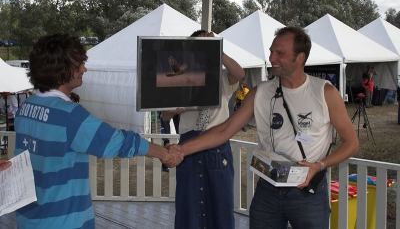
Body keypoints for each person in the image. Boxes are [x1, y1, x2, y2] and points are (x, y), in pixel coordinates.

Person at [168, 26, 359, 229]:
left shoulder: (324, 92)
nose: (272, 58)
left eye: (280, 53)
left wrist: (318, 166)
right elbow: (224, 130)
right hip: (268, 189)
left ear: (300, 57)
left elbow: (352, 143)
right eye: (271, 51)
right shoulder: (261, 92)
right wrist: (181, 149)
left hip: (307, 192)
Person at [13, 34, 182, 229]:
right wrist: (164, 153)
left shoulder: (26, 107)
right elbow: (118, 142)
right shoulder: (69, 116)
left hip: (29, 217)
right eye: (78, 65)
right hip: (62, 221)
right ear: (59, 70)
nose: (84, 69)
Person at [162, 30, 245, 229]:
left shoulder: (221, 77)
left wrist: (219, 50)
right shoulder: (180, 79)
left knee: (221, 205)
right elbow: (164, 115)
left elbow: (240, 74)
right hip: (188, 145)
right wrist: (172, 111)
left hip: (217, 144)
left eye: (205, 47)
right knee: (188, 206)